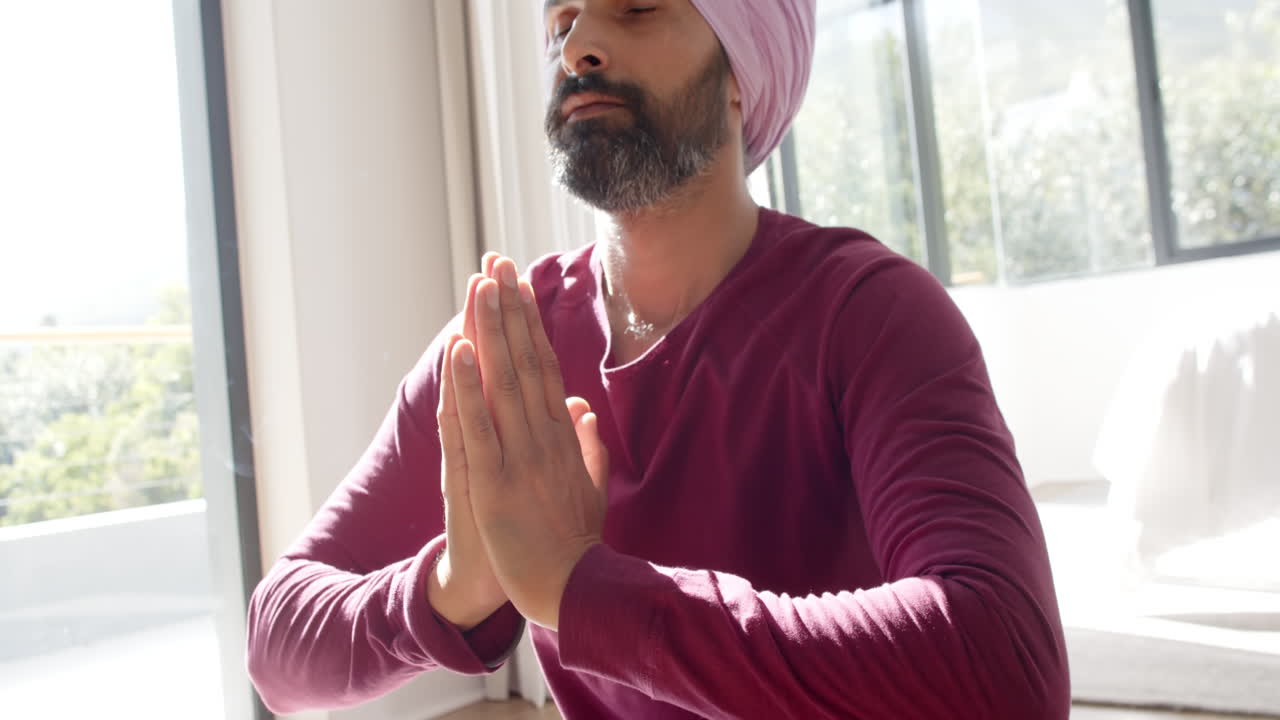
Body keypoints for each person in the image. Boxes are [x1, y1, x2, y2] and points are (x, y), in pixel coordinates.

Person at [245, 0, 1072, 717]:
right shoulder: (505, 347)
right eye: (560, 22)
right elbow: (278, 647)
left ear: (742, 70)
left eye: (637, 9)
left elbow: (1005, 669)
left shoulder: (872, 314)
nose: (577, 47)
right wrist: (456, 587)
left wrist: (581, 589)